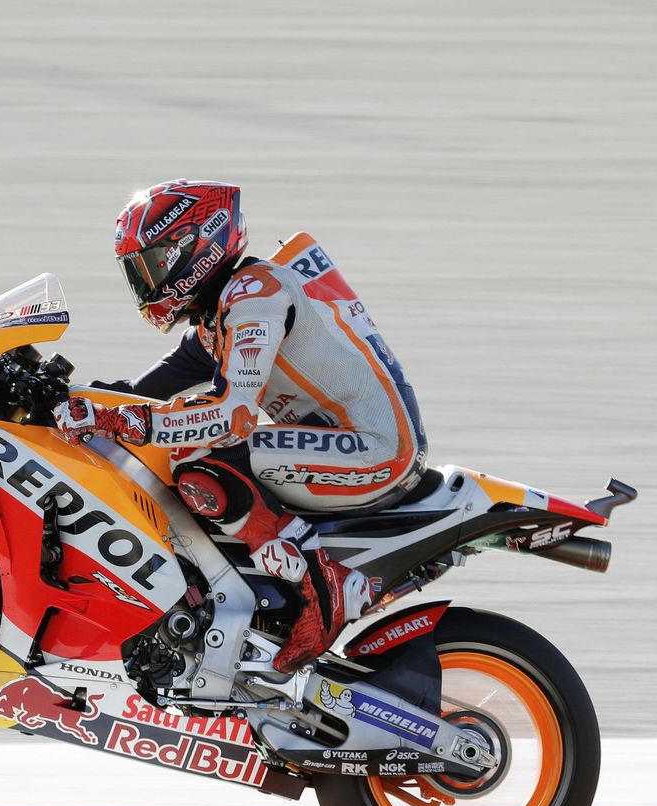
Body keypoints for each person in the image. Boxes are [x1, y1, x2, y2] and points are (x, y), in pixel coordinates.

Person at [53, 180, 428, 673]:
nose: (148, 281)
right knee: (176, 446)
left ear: (199, 244)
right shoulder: (216, 315)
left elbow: (233, 413)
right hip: (339, 445)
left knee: (196, 456)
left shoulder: (256, 293)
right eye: (140, 271)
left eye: (155, 263)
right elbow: (142, 392)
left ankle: (324, 585)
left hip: (375, 450)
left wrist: (116, 419)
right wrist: (69, 401)